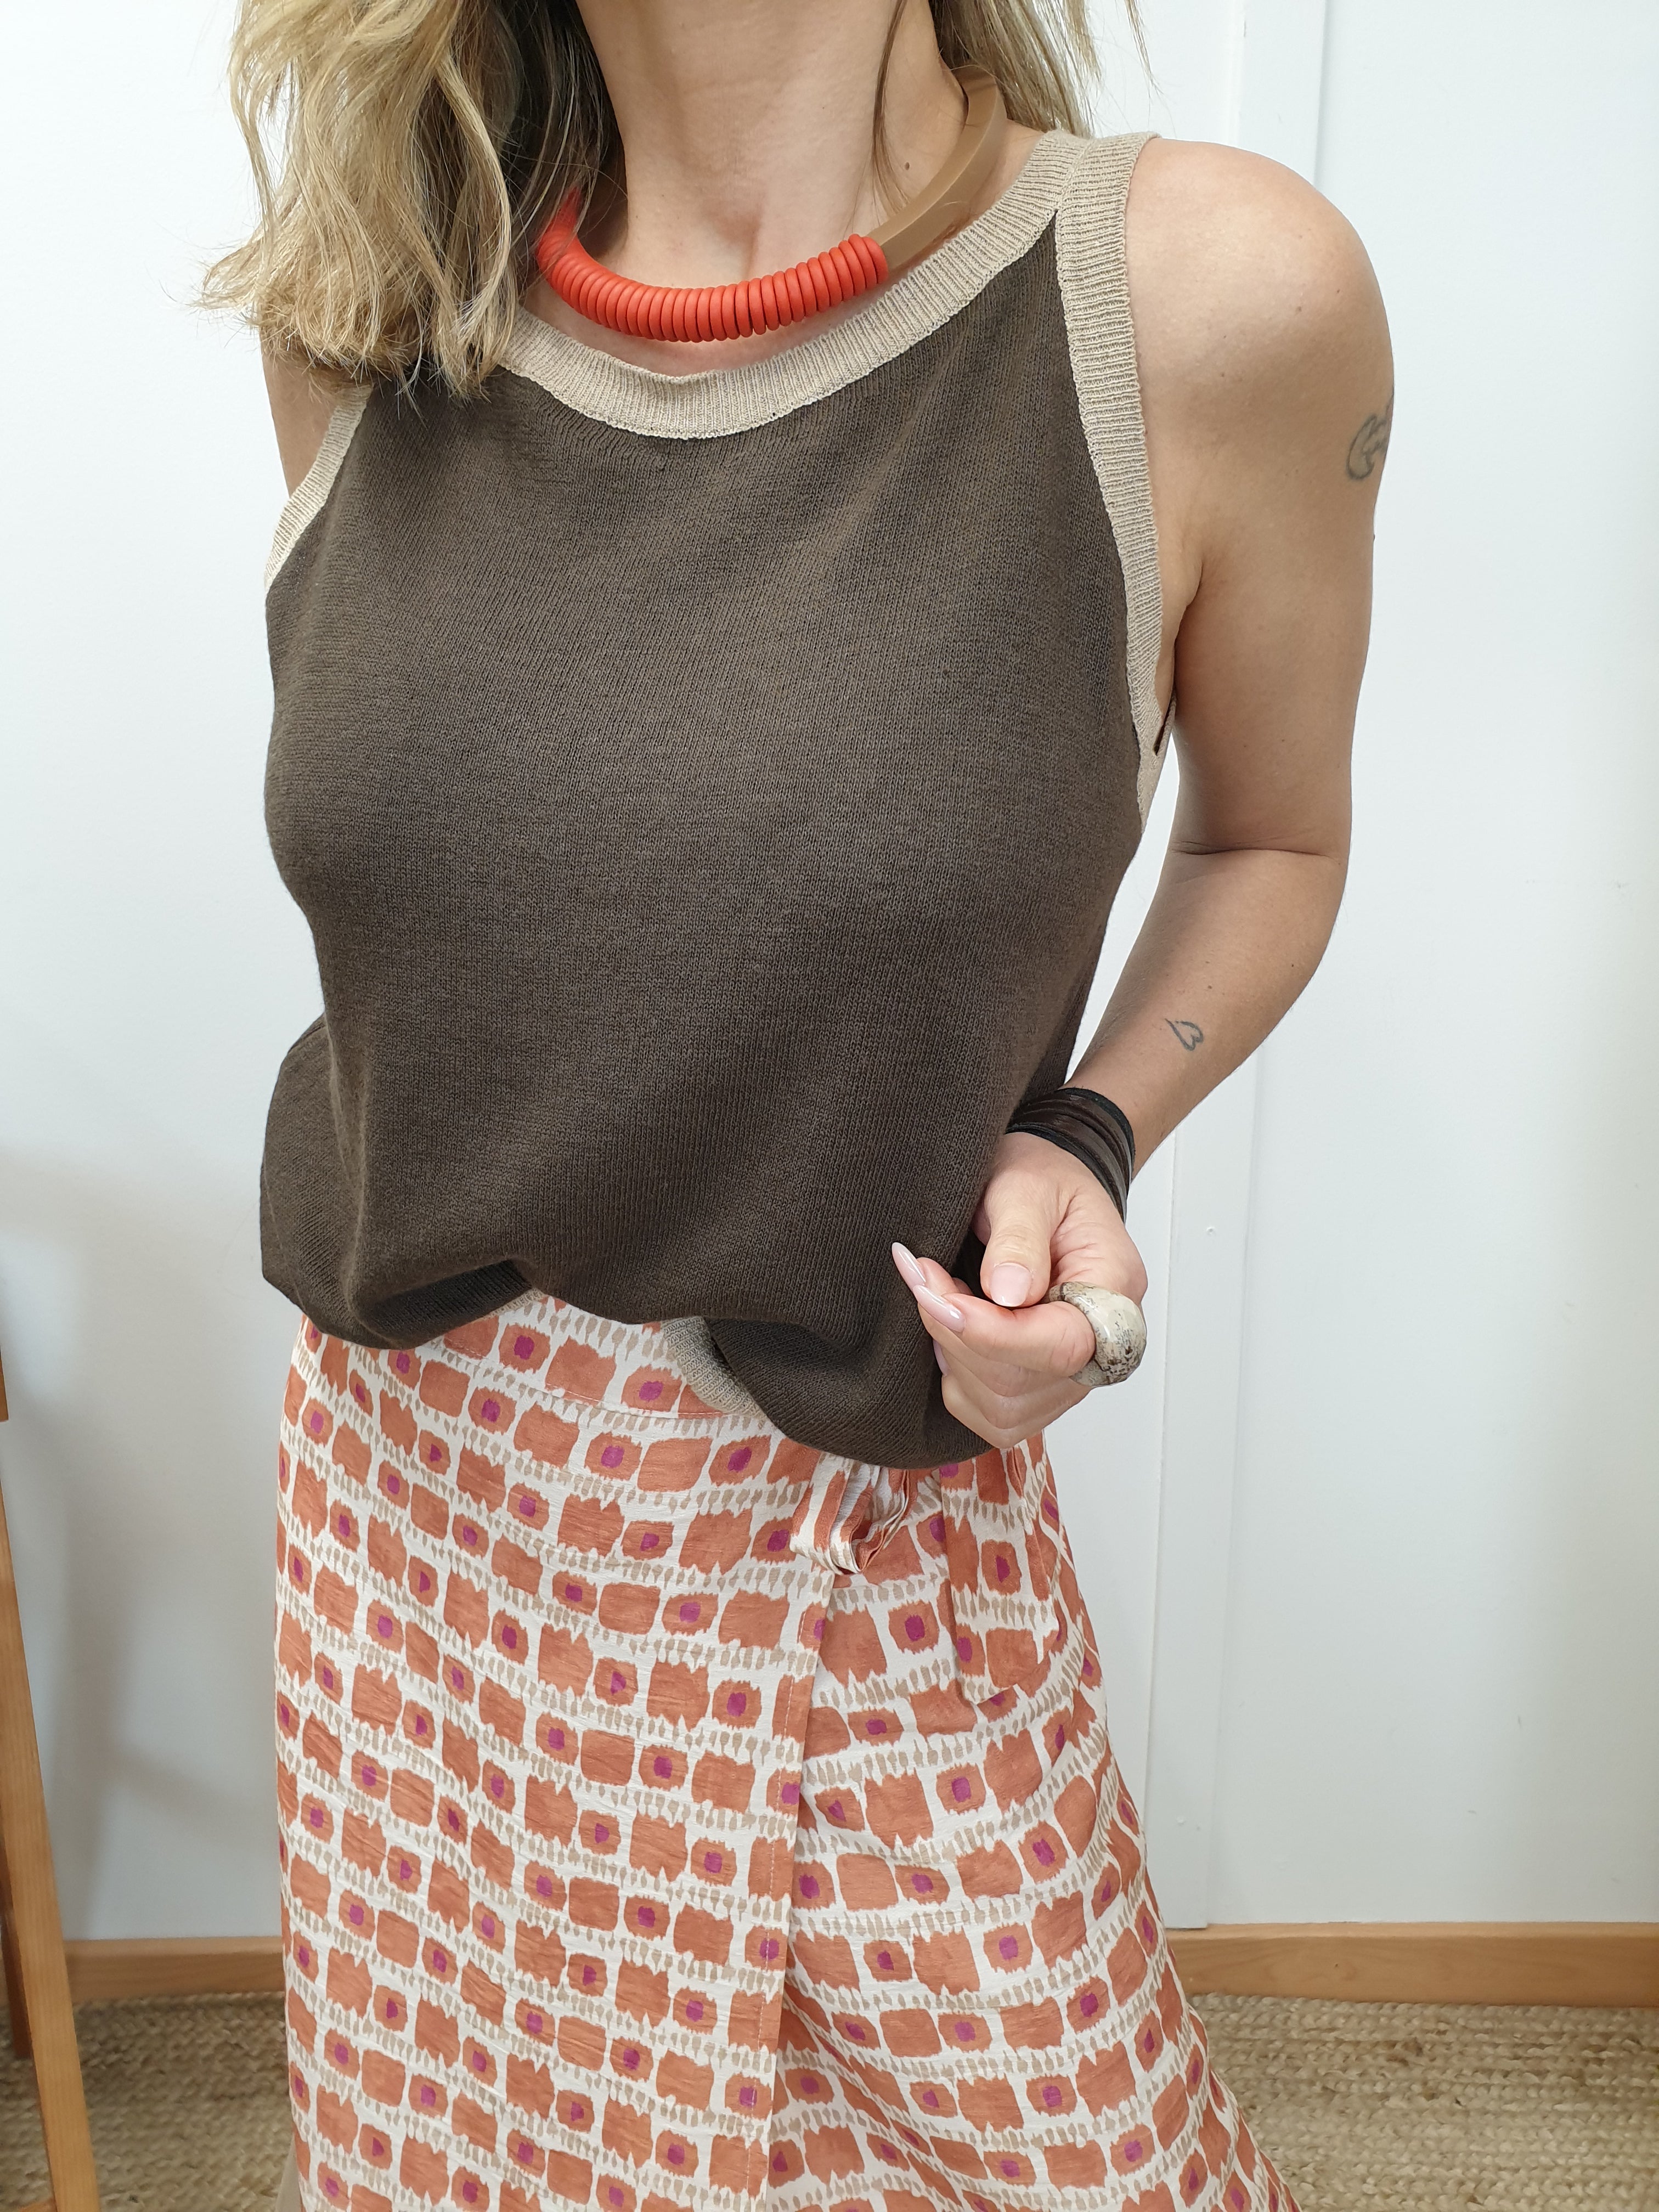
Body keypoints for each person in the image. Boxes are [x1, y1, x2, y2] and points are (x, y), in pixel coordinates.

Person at [216, 1, 1388, 2205]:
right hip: (413, 1532)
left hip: (860, 1527)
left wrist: (1088, 1139)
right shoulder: (367, 304)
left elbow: (1271, 841)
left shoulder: (1203, 305)